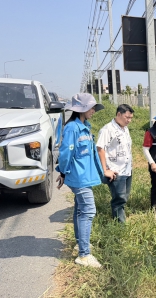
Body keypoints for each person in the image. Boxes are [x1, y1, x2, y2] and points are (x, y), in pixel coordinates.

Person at [55, 93, 104, 268]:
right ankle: (84, 255)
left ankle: (80, 242)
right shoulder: (72, 128)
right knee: (89, 211)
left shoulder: (85, 126)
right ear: (81, 110)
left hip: (84, 176)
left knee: (80, 210)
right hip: (78, 177)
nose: (93, 111)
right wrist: (62, 172)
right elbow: (65, 154)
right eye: (91, 107)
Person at [96, 104, 134, 223]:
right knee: (119, 199)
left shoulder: (124, 128)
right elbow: (100, 148)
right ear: (118, 114)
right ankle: (119, 225)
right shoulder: (108, 129)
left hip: (127, 169)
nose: (129, 120)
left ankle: (119, 218)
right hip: (116, 170)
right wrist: (105, 169)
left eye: (131, 118)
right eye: (127, 117)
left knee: (124, 197)